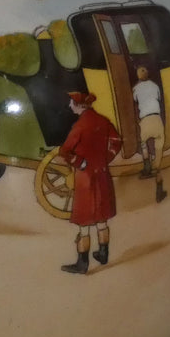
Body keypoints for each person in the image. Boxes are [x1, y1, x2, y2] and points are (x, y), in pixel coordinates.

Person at [58, 92, 122, 274]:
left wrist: (80, 163)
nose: (70, 105)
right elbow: (117, 141)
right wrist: (105, 159)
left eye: (72, 103)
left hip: (85, 178)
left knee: (84, 222)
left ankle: (82, 263)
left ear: (79, 105)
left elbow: (65, 151)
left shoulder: (80, 126)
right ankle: (103, 254)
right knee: (102, 217)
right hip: (102, 174)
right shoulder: (103, 121)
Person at [132, 66, 167, 203]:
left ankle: (146, 166)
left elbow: (135, 102)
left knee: (143, 143)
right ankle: (158, 175)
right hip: (156, 118)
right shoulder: (155, 86)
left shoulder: (136, 88)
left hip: (145, 120)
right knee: (159, 146)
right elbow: (158, 99)